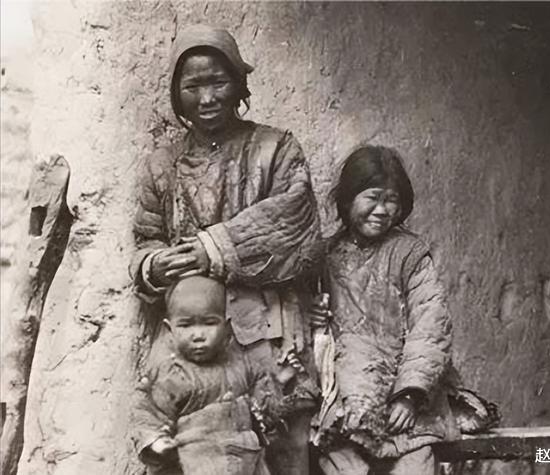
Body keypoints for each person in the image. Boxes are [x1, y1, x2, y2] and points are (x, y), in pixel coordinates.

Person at [129, 25, 320, 475]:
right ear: (176, 94)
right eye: (193, 86)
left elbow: (296, 224)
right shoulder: (162, 166)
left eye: (218, 81)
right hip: (191, 336)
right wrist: (155, 265)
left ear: (238, 82)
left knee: (282, 444)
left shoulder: (275, 149)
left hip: (266, 328)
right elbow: (146, 239)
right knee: (182, 450)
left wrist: (213, 249)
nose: (207, 97)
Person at [308, 145, 498, 474]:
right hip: (348, 403)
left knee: (414, 463)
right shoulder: (326, 256)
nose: (382, 210)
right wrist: (311, 317)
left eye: (391, 200)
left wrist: (410, 394)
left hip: (407, 404)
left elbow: (430, 326)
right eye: (373, 197)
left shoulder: (410, 254)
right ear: (348, 200)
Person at [132, 276, 306, 475]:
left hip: (247, 464)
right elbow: (147, 412)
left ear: (226, 326)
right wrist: (156, 441)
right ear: (169, 329)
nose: (198, 335)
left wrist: (279, 382)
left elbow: (267, 410)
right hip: (195, 466)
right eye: (186, 325)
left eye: (209, 323)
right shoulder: (172, 375)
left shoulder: (243, 365)